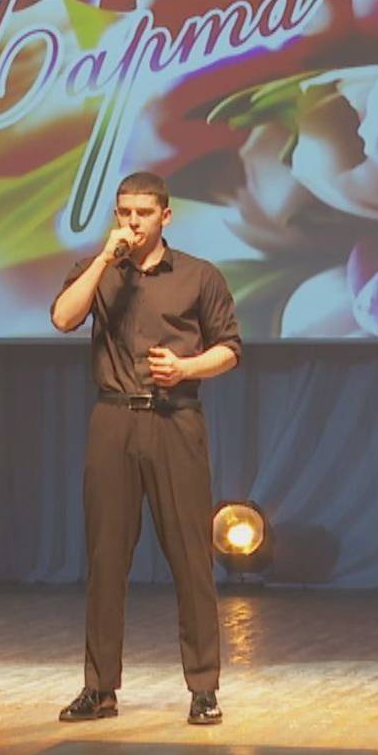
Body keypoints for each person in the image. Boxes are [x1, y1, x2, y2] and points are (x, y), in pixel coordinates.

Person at [49, 170, 242, 726]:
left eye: (143, 213)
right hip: (113, 418)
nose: (132, 222)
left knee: (190, 557)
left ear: (165, 217)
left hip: (174, 419)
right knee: (106, 558)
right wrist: (103, 261)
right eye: (124, 212)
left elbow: (230, 349)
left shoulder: (199, 276)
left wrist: (185, 368)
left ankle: (203, 688)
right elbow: (63, 318)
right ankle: (99, 688)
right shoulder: (99, 270)